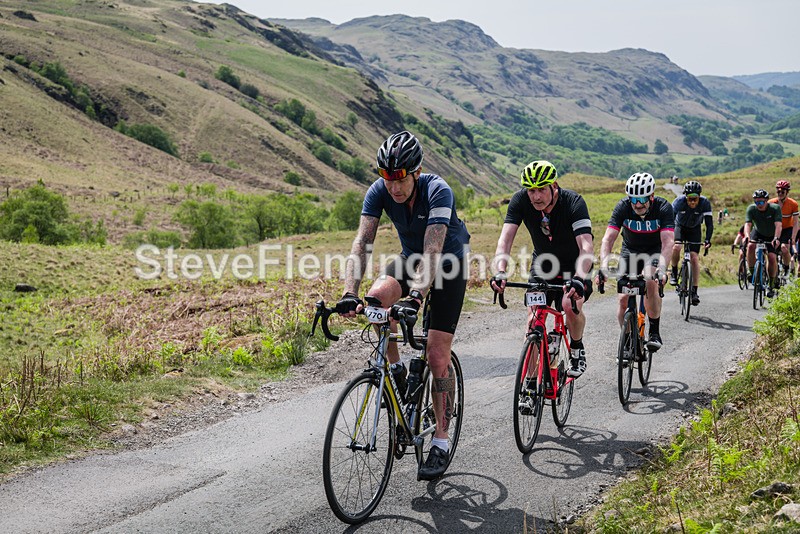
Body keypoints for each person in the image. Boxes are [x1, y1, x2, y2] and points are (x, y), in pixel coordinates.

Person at [337, 130, 470, 481]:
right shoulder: (379, 190)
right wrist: (350, 292)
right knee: (376, 300)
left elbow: (433, 251)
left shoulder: (438, 190)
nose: (394, 187)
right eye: (387, 177)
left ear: (417, 171)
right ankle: (395, 370)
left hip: (449, 264)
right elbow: (363, 241)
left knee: (437, 355)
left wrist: (416, 297)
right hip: (411, 258)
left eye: (400, 178)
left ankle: (441, 440)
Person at [490, 160, 594, 378]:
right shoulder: (520, 200)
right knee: (533, 321)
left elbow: (585, 246)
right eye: (531, 190)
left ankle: (576, 348)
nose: (536, 196)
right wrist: (500, 271)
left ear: (553, 186)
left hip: (575, 267)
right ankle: (529, 384)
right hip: (543, 267)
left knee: (569, 305)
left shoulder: (574, 202)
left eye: (541, 190)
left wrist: (579, 278)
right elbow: (505, 239)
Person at [595, 172, 674, 351]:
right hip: (630, 251)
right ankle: (628, 340)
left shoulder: (663, 208)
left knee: (650, 280)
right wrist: (603, 266)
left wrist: (662, 269)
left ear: (651, 196)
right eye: (633, 199)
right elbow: (608, 239)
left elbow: (668, 242)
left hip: (654, 251)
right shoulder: (623, 207)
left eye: (642, 199)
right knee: (623, 298)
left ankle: (654, 332)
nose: (638, 204)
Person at [669, 180, 713, 305]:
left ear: (699, 197)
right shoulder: (678, 202)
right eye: (690, 199)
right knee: (677, 247)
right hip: (680, 227)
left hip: (695, 229)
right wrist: (669, 237)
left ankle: (694, 291)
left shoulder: (705, 203)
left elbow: (709, 224)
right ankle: (674, 272)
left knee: (694, 258)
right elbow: (670, 221)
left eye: (695, 199)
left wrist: (708, 240)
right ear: (685, 197)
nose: (692, 202)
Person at [744, 189, 782, 297]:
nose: (759, 204)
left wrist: (776, 238)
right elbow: (748, 224)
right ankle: (752, 273)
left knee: (772, 257)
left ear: (766, 201)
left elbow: (778, 225)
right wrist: (747, 236)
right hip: (758, 232)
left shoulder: (775, 208)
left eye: (761, 202)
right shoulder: (751, 209)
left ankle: (771, 283)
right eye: (756, 202)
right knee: (750, 246)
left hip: (772, 235)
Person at [768, 180, 799, 279]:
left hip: (787, 229)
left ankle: (786, 268)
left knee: (784, 248)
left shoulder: (793, 204)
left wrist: (793, 238)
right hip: (774, 229)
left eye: (782, 192)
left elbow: (796, 223)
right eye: (778, 191)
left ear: (787, 192)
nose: (780, 193)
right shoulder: (771, 203)